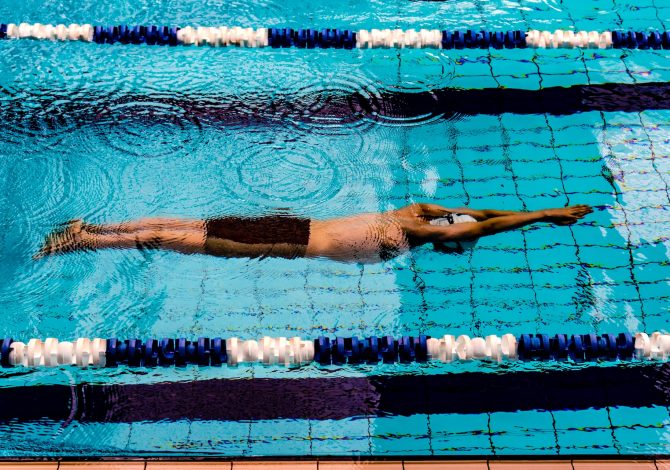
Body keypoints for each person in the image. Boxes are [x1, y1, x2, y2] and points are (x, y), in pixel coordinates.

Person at [34, 203, 593, 263]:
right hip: (289, 242)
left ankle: (90, 227)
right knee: (177, 239)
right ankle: (82, 240)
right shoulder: (412, 238)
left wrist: (546, 209)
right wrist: (546, 216)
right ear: (444, 239)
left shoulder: (413, 211)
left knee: (187, 224)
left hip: (292, 223)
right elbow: (489, 226)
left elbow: (480, 216)